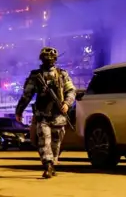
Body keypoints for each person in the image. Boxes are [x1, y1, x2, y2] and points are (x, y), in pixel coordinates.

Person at [15, 47, 76, 179]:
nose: (49, 60)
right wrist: (19, 110)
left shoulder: (62, 74)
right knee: (44, 141)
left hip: (58, 115)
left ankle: (52, 163)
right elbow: (27, 95)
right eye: (46, 58)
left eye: (51, 58)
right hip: (42, 115)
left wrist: (66, 103)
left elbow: (71, 91)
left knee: (56, 143)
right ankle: (48, 165)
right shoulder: (36, 76)